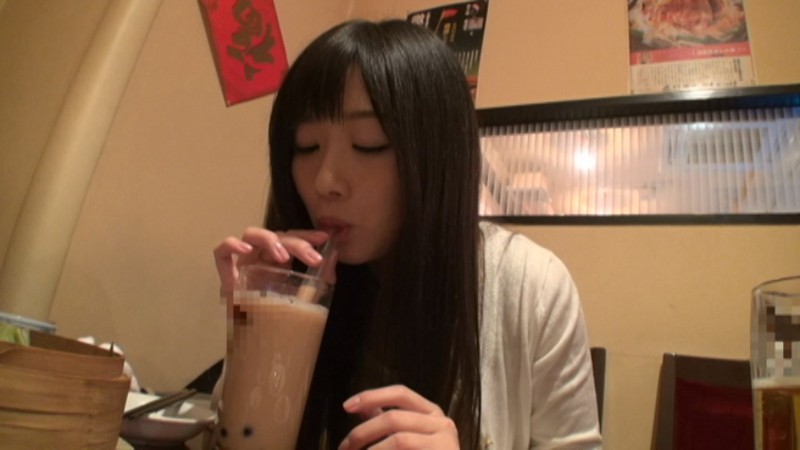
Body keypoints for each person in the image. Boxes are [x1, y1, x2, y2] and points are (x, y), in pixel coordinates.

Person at [213, 19, 601, 450]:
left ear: (433, 154)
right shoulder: (301, 282)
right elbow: (242, 441)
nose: (324, 181)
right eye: (306, 146)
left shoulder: (531, 286)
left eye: (368, 143)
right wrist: (252, 332)